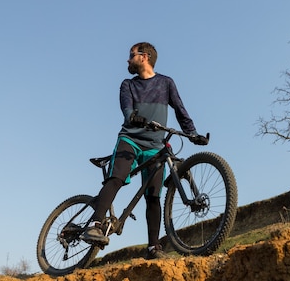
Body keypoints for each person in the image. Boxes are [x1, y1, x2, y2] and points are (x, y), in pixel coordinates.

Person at [80, 42, 207, 259]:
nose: (128, 60)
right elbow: (126, 106)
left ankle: (153, 247)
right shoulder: (128, 84)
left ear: (144, 57)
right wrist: (132, 117)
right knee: (116, 179)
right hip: (131, 139)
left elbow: (179, 109)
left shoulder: (166, 83)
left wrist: (192, 132)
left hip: (156, 146)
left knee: (153, 197)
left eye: (131, 55)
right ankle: (94, 223)